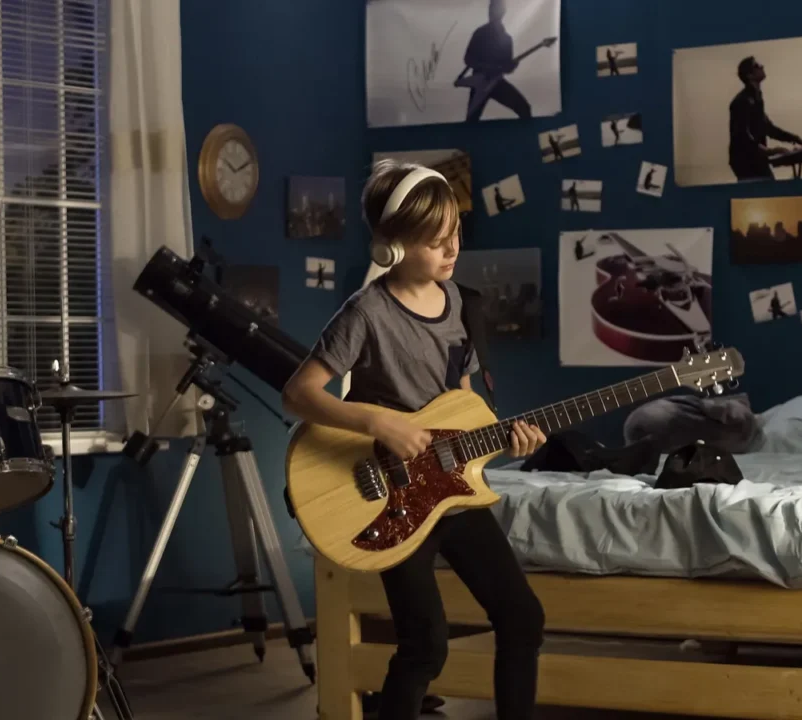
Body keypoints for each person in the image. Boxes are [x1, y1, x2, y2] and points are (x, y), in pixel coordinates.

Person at [283, 159, 548, 720]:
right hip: (390, 495)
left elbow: (466, 406)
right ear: (391, 246)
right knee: (425, 644)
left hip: (449, 489)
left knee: (522, 616)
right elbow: (299, 393)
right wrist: (377, 422)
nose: (451, 250)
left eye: (456, 235)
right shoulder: (366, 312)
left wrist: (508, 440)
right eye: (435, 242)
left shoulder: (463, 307)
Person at [728, 56, 802, 181]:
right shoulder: (741, 102)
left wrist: (796, 139)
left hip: (757, 159)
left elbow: (769, 128)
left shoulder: (757, 98)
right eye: (757, 66)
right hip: (745, 163)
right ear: (749, 75)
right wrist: (771, 151)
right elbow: (743, 137)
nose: (762, 66)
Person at [461, 0, 532, 122]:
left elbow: (506, 67)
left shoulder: (507, 39)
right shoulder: (479, 33)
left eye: (494, 8)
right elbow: (468, 59)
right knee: (471, 123)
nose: (491, 11)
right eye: (490, 8)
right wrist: (487, 68)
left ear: (502, 12)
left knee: (524, 108)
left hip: (497, 83)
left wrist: (512, 66)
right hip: (480, 82)